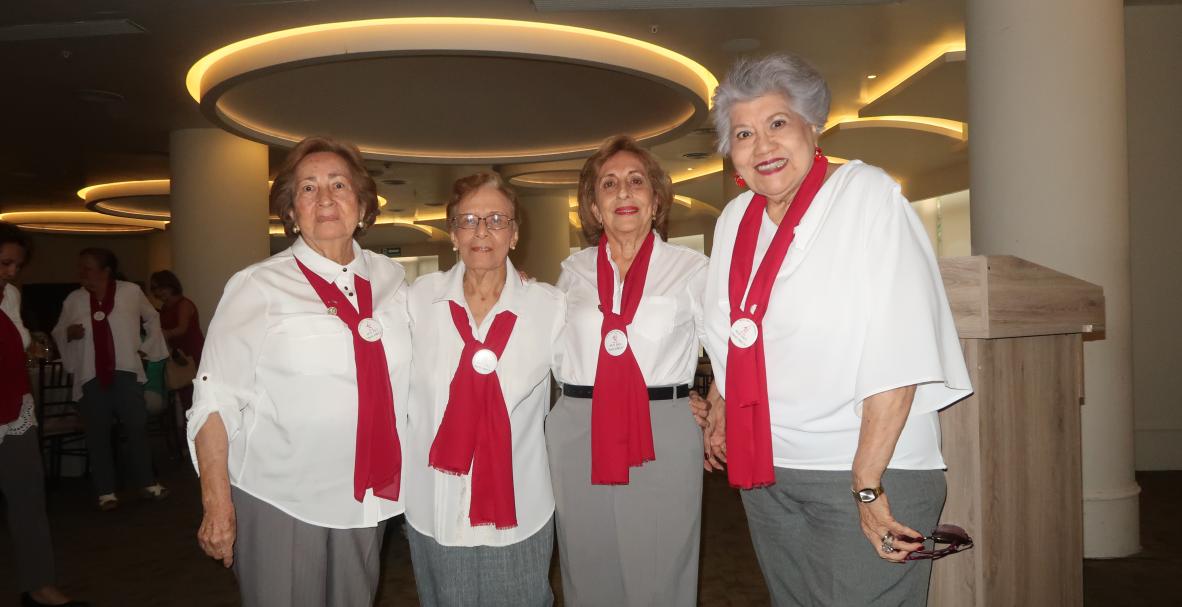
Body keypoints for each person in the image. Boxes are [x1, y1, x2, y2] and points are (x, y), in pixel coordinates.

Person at [699, 53, 972, 606]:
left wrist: (867, 483)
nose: (763, 145)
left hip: (867, 469)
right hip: (769, 470)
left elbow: (900, 345)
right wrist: (721, 403)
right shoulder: (733, 221)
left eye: (778, 123)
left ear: (811, 125)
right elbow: (737, 332)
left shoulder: (863, 195)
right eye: (744, 133)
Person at [189, 136, 410, 607]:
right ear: (290, 210)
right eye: (308, 189)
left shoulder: (393, 280)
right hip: (281, 496)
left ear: (363, 202)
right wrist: (216, 502)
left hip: (365, 495)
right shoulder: (258, 285)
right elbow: (215, 399)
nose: (325, 198)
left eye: (339, 184)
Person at [548, 135, 709, 606]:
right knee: (587, 561)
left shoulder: (691, 269)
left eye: (636, 182)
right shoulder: (571, 272)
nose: (623, 193)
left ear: (655, 200)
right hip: (579, 423)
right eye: (609, 184)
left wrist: (710, 399)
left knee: (662, 566)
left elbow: (730, 347)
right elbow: (551, 351)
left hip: (661, 424)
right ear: (594, 208)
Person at [403, 173, 563, 606]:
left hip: (519, 509)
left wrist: (687, 398)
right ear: (452, 233)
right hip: (434, 507)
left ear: (514, 234)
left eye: (496, 219)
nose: (482, 231)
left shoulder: (548, 307)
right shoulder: (418, 300)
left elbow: (590, 378)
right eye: (469, 219)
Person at [0, 223, 88, 607]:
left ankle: (39, 586)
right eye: (5, 264)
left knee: (29, 502)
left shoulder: (11, 297)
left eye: (17, 265)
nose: (12, 273)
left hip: (14, 410)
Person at [51, 248, 170, 511]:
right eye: (80, 267)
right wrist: (68, 333)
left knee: (136, 427)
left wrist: (145, 347)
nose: (82, 272)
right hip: (91, 373)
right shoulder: (74, 300)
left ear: (106, 271)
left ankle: (147, 482)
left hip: (125, 369)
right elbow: (58, 330)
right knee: (97, 432)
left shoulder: (130, 292)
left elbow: (152, 318)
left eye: (88, 267)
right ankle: (106, 491)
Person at [149, 270, 205, 410]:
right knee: (182, 391)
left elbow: (182, 329)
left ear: (171, 285)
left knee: (195, 392)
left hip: (191, 351)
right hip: (176, 353)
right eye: (155, 289)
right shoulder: (165, 308)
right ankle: (185, 429)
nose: (158, 292)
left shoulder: (184, 304)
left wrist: (164, 333)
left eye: (161, 288)